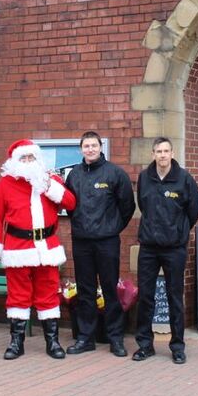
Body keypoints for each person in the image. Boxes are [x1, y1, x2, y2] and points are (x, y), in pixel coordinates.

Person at [0, 139, 77, 360]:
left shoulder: (49, 180)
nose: (27, 162)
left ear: (37, 159)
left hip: (47, 247)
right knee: (18, 295)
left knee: (48, 294)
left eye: (31, 157)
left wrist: (48, 186)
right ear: (15, 161)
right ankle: (17, 342)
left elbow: (71, 203)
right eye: (23, 158)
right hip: (18, 247)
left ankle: (52, 342)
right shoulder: (5, 183)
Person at [133, 137, 198, 365]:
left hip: (174, 248)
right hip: (149, 248)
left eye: (166, 151)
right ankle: (145, 345)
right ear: (153, 154)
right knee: (145, 297)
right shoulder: (145, 177)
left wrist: (179, 230)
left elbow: (196, 208)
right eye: (158, 151)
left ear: (172, 153)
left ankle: (177, 346)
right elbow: (143, 206)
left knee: (174, 297)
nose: (162, 155)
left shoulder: (183, 178)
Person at [64, 131, 136, 357]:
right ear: (81, 149)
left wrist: (112, 227)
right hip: (82, 241)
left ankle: (115, 338)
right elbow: (69, 205)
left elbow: (127, 207)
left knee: (109, 289)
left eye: (94, 145)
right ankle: (86, 337)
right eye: (86, 146)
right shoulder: (74, 174)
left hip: (107, 241)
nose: (90, 149)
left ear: (100, 147)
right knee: (85, 291)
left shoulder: (115, 173)